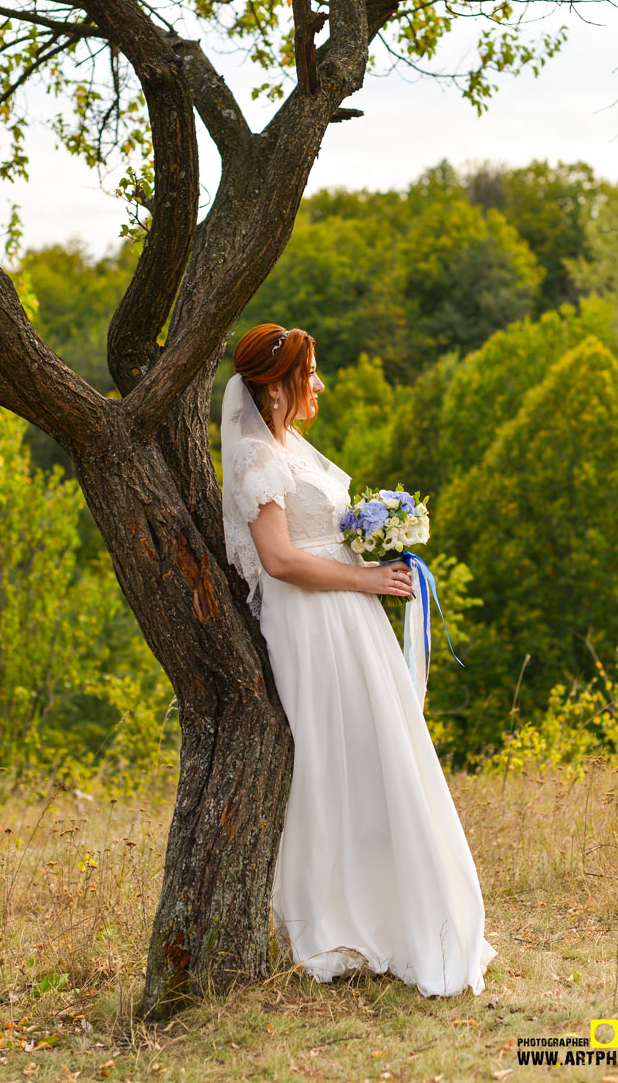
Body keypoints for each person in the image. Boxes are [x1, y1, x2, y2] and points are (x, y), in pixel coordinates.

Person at [220, 322, 496, 998]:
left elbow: (319, 537)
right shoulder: (257, 457)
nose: (318, 384)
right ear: (278, 385)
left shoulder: (291, 445)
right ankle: (337, 919)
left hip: (348, 613)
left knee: (379, 751)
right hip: (311, 624)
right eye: (309, 374)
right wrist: (368, 580)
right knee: (333, 760)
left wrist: (376, 548)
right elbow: (281, 561)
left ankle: (397, 907)